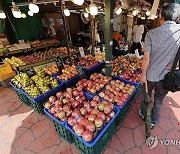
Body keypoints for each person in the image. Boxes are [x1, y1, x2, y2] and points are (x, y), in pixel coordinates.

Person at [139, 3, 180, 129]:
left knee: (146, 96)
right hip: (167, 77)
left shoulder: (151, 34)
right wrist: (177, 65)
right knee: (159, 100)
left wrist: (143, 75)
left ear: (161, 16)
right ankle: (154, 120)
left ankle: (143, 113)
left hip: (150, 74)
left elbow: (146, 58)